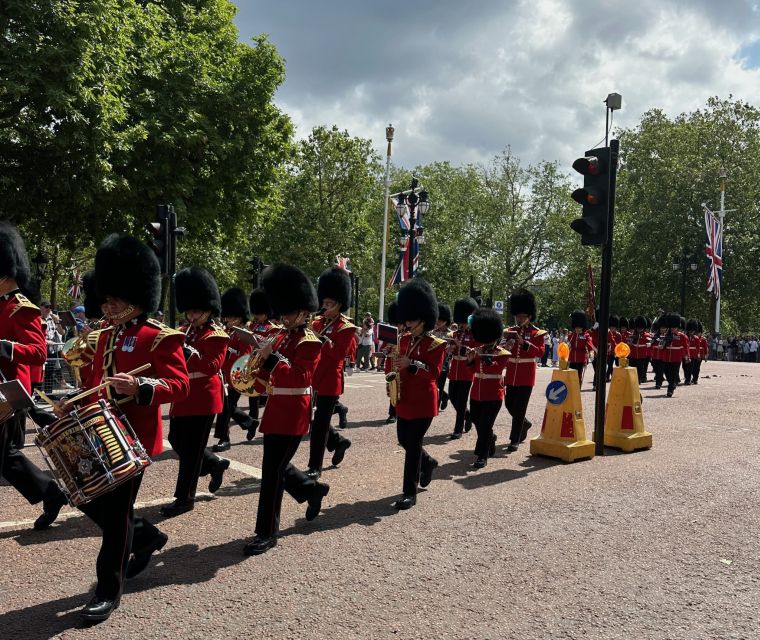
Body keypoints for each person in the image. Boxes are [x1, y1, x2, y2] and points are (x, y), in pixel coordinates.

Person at [61, 233, 190, 622]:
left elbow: (180, 386)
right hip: (100, 434)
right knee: (85, 498)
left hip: (131, 441)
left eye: (114, 297)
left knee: (116, 518)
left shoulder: (158, 337)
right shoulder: (104, 336)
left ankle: (107, 591)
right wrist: (73, 404)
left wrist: (142, 387)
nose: (107, 303)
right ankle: (147, 536)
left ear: (135, 295)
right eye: (105, 297)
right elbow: (93, 383)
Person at [244, 265, 329, 556]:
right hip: (275, 408)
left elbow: (300, 377)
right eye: (284, 311)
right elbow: (268, 371)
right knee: (276, 467)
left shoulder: (310, 342)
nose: (284, 316)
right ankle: (311, 490)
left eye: (289, 312)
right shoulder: (279, 335)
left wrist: (271, 358)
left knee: (272, 473)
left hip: (294, 410)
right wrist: (255, 370)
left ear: (304, 312)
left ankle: (266, 533)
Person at [0, 222, 68, 529]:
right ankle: (50, 493)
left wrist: (6, 348)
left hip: (8, 392)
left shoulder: (21, 309)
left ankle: (51, 492)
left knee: (6, 455)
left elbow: (38, 352)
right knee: (5, 456)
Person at [162, 267, 230, 518]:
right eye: (189, 311)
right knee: (177, 440)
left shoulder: (217, 335)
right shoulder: (185, 330)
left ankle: (184, 498)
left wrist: (189, 352)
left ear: (208, 310)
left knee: (190, 454)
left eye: (195, 311)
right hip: (183, 395)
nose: (191, 315)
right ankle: (213, 463)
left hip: (202, 396)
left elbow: (212, 366)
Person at [390, 279, 446, 510]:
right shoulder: (401, 339)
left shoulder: (436, 345)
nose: (409, 322)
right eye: (408, 318)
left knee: (412, 445)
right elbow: (393, 366)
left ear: (424, 318)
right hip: (404, 399)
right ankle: (428, 462)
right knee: (403, 440)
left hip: (423, 401)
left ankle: (409, 493)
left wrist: (412, 363)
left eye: (413, 318)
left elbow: (434, 373)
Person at [306, 266, 356, 478]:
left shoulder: (346, 327)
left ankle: (314, 467)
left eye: (329, 304)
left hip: (329, 380)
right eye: (323, 303)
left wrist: (320, 338)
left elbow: (336, 355)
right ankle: (338, 441)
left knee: (319, 427)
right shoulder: (316, 322)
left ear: (340, 304)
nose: (324, 307)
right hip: (312, 377)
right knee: (312, 422)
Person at [501, 288, 545, 452]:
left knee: (519, 407)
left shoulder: (537, 333)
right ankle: (524, 424)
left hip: (526, 374)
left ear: (529, 316)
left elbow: (540, 352)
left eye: (522, 316)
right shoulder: (509, 332)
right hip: (512, 373)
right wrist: (506, 346)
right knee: (509, 403)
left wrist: (524, 343)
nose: (519, 319)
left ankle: (514, 439)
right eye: (518, 316)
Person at [213, 287, 255, 451]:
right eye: (228, 316)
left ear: (240, 317)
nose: (229, 319)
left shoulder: (244, 333)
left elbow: (245, 356)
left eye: (232, 316)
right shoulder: (227, 331)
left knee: (224, 408)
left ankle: (225, 439)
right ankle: (250, 423)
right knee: (226, 406)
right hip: (223, 375)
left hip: (237, 375)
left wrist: (229, 350)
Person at [466, 307, 509, 469]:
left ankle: (481, 456)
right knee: (477, 421)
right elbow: (472, 371)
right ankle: (490, 440)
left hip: (493, 395)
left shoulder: (502, 353)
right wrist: (470, 360)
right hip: (476, 392)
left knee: (484, 425)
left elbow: (497, 369)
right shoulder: (478, 350)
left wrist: (487, 359)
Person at [245, 288, 280, 439]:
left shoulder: (272, 328)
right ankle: (252, 424)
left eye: (259, 313)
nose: (257, 316)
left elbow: (271, 345)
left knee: (271, 397)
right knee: (252, 397)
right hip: (253, 363)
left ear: (266, 313)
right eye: (256, 313)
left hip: (265, 366)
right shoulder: (252, 325)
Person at [447, 297, 478, 440]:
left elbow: (475, 350)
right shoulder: (455, 334)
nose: (461, 325)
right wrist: (451, 348)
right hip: (455, 369)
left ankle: (457, 429)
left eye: (464, 322)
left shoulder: (474, 335)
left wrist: (461, 347)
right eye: (460, 322)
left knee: (462, 400)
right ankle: (468, 415)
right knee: (453, 397)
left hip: (467, 370)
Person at [656, 312, 689, 397]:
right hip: (666, 357)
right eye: (671, 327)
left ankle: (670, 389)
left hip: (676, 358)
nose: (672, 329)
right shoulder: (666, 335)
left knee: (673, 374)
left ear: (677, 327)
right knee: (667, 373)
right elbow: (662, 344)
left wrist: (687, 356)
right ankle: (672, 384)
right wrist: (661, 346)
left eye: (674, 327)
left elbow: (686, 347)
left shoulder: (682, 336)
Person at [381, 300, 403, 424]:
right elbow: (383, 350)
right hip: (391, 363)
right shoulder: (389, 333)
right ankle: (392, 413)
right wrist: (387, 347)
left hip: (400, 363)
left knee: (402, 387)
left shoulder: (407, 333)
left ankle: (396, 412)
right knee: (391, 387)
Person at [433, 303, 453, 411]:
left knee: (440, 385)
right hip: (434, 361)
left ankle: (436, 404)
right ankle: (445, 396)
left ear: (445, 320)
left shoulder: (451, 335)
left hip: (445, 362)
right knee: (434, 383)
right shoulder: (433, 332)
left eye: (440, 320)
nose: (437, 322)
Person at [567, 310, 595, 383]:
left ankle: (578, 390)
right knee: (571, 375)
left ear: (582, 327)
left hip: (581, 358)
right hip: (572, 358)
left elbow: (589, 346)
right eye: (576, 328)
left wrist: (590, 354)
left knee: (579, 376)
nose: (577, 329)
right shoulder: (571, 335)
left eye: (579, 328)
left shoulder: (586, 335)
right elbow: (568, 345)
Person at [628, 316, 651, 384]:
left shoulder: (647, 336)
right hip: (633, 356)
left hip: (642, 356)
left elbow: (650, 345)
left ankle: (638, 383)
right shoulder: (632, 335)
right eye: (638, 328)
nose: (639, 329)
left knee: (640, 372)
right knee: (632, 371)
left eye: (640, 328)